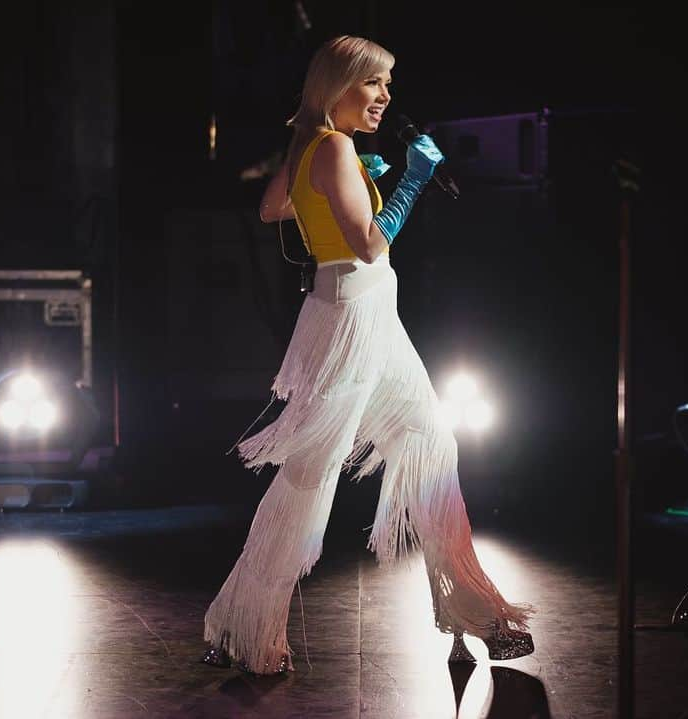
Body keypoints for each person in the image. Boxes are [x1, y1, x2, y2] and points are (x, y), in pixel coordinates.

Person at [201, 34, 534, 676]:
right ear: (336, 88)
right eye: (372, 84)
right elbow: (369, 243)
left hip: (369, 315)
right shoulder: (332, 145)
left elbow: (275, 207)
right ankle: (238, 626)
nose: (384, 96)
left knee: (432, 443)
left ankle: (479, 616)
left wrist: (353, 179)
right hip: (352, 320)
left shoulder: (315, 145)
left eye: (387, 84)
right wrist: (409, 180)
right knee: (309, 481)